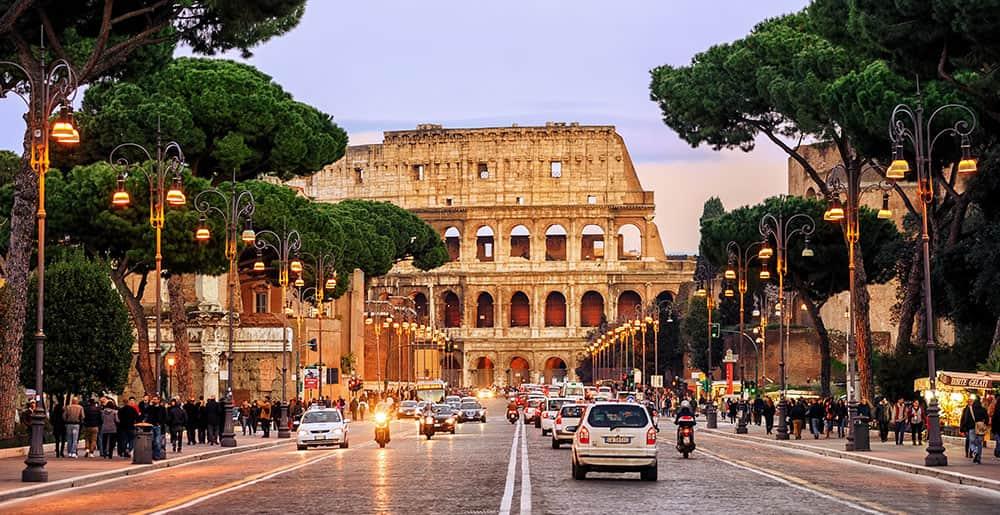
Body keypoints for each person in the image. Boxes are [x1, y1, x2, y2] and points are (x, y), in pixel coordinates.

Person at [960, 397, 989, 464]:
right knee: (979, 443)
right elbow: (987, 418)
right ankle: (978, 458)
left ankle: (975, 452)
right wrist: (984, 424)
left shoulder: (970, 409)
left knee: (972, 442)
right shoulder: (983, 409)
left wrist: (965, 427)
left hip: (972, 428)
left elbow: (966, 419)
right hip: (980, 428)